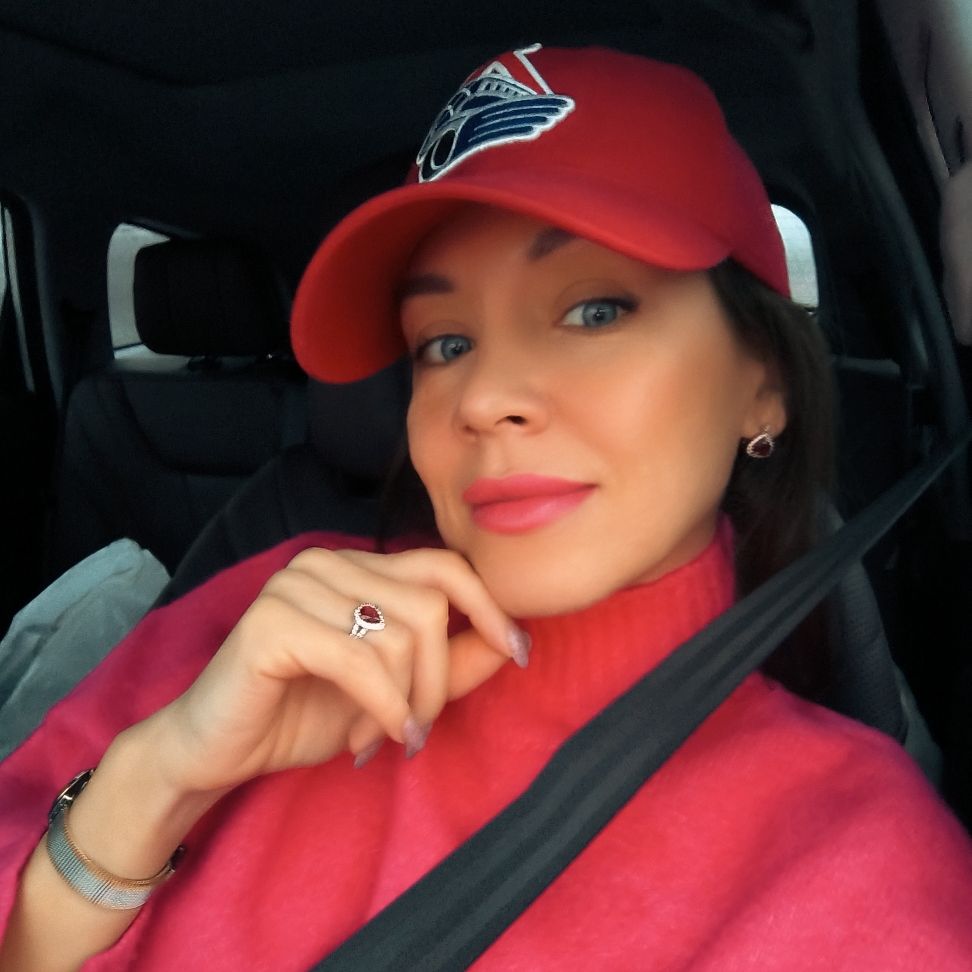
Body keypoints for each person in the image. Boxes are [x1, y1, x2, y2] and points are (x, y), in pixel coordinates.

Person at [1, 44, 971, 972]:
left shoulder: (863, 861)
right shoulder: (254, 623)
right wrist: (158, 778)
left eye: (594, 310)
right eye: (445, 344)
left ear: (764, 384)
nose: (482, 399)